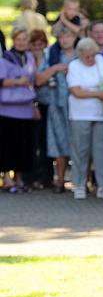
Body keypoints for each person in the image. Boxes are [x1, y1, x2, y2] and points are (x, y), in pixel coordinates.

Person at [67, 37, 103, 200]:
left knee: (101, 151)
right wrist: (98, 93)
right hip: (80, 114)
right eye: (87, 56)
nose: (91, 58)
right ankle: (79, 184)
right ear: (80, 55)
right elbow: (76, 91)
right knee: (80, 150)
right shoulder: (74, 66)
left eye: (93, 55)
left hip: (101, 114)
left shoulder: (101, 60)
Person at [0, 28, 37, 193]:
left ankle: (19, 178)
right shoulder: (6, 58)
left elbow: (33, 79)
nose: (21, 42)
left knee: (23, 146)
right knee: (8, 145)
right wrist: (17, 82)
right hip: (8, 110)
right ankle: (7, 178)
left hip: (26, 109)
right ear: (13, 40)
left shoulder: (29, 57)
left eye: (24, 39)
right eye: (18, 39)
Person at [43, 24, 76, 193]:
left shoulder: (80, 55)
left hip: (77, 107)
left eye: (68, 36)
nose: (65, 40)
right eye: (62, 37)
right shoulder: (52, 55)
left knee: (79, 144)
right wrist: (54, 68)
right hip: (57, 105)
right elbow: (39, 79)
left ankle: (81, 181)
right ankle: (60, 180)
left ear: (74, 38)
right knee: (58, 143)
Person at [29, 29, 55, 190]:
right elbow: (36, 81)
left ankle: (47, 177)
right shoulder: (26, 59)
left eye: (41, 44)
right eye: (34, 44)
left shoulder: (49, 57)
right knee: (33, 142)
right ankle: (32, 177)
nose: (37, 47)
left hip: (47, 103)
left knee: (46, 142)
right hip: (29, 104)